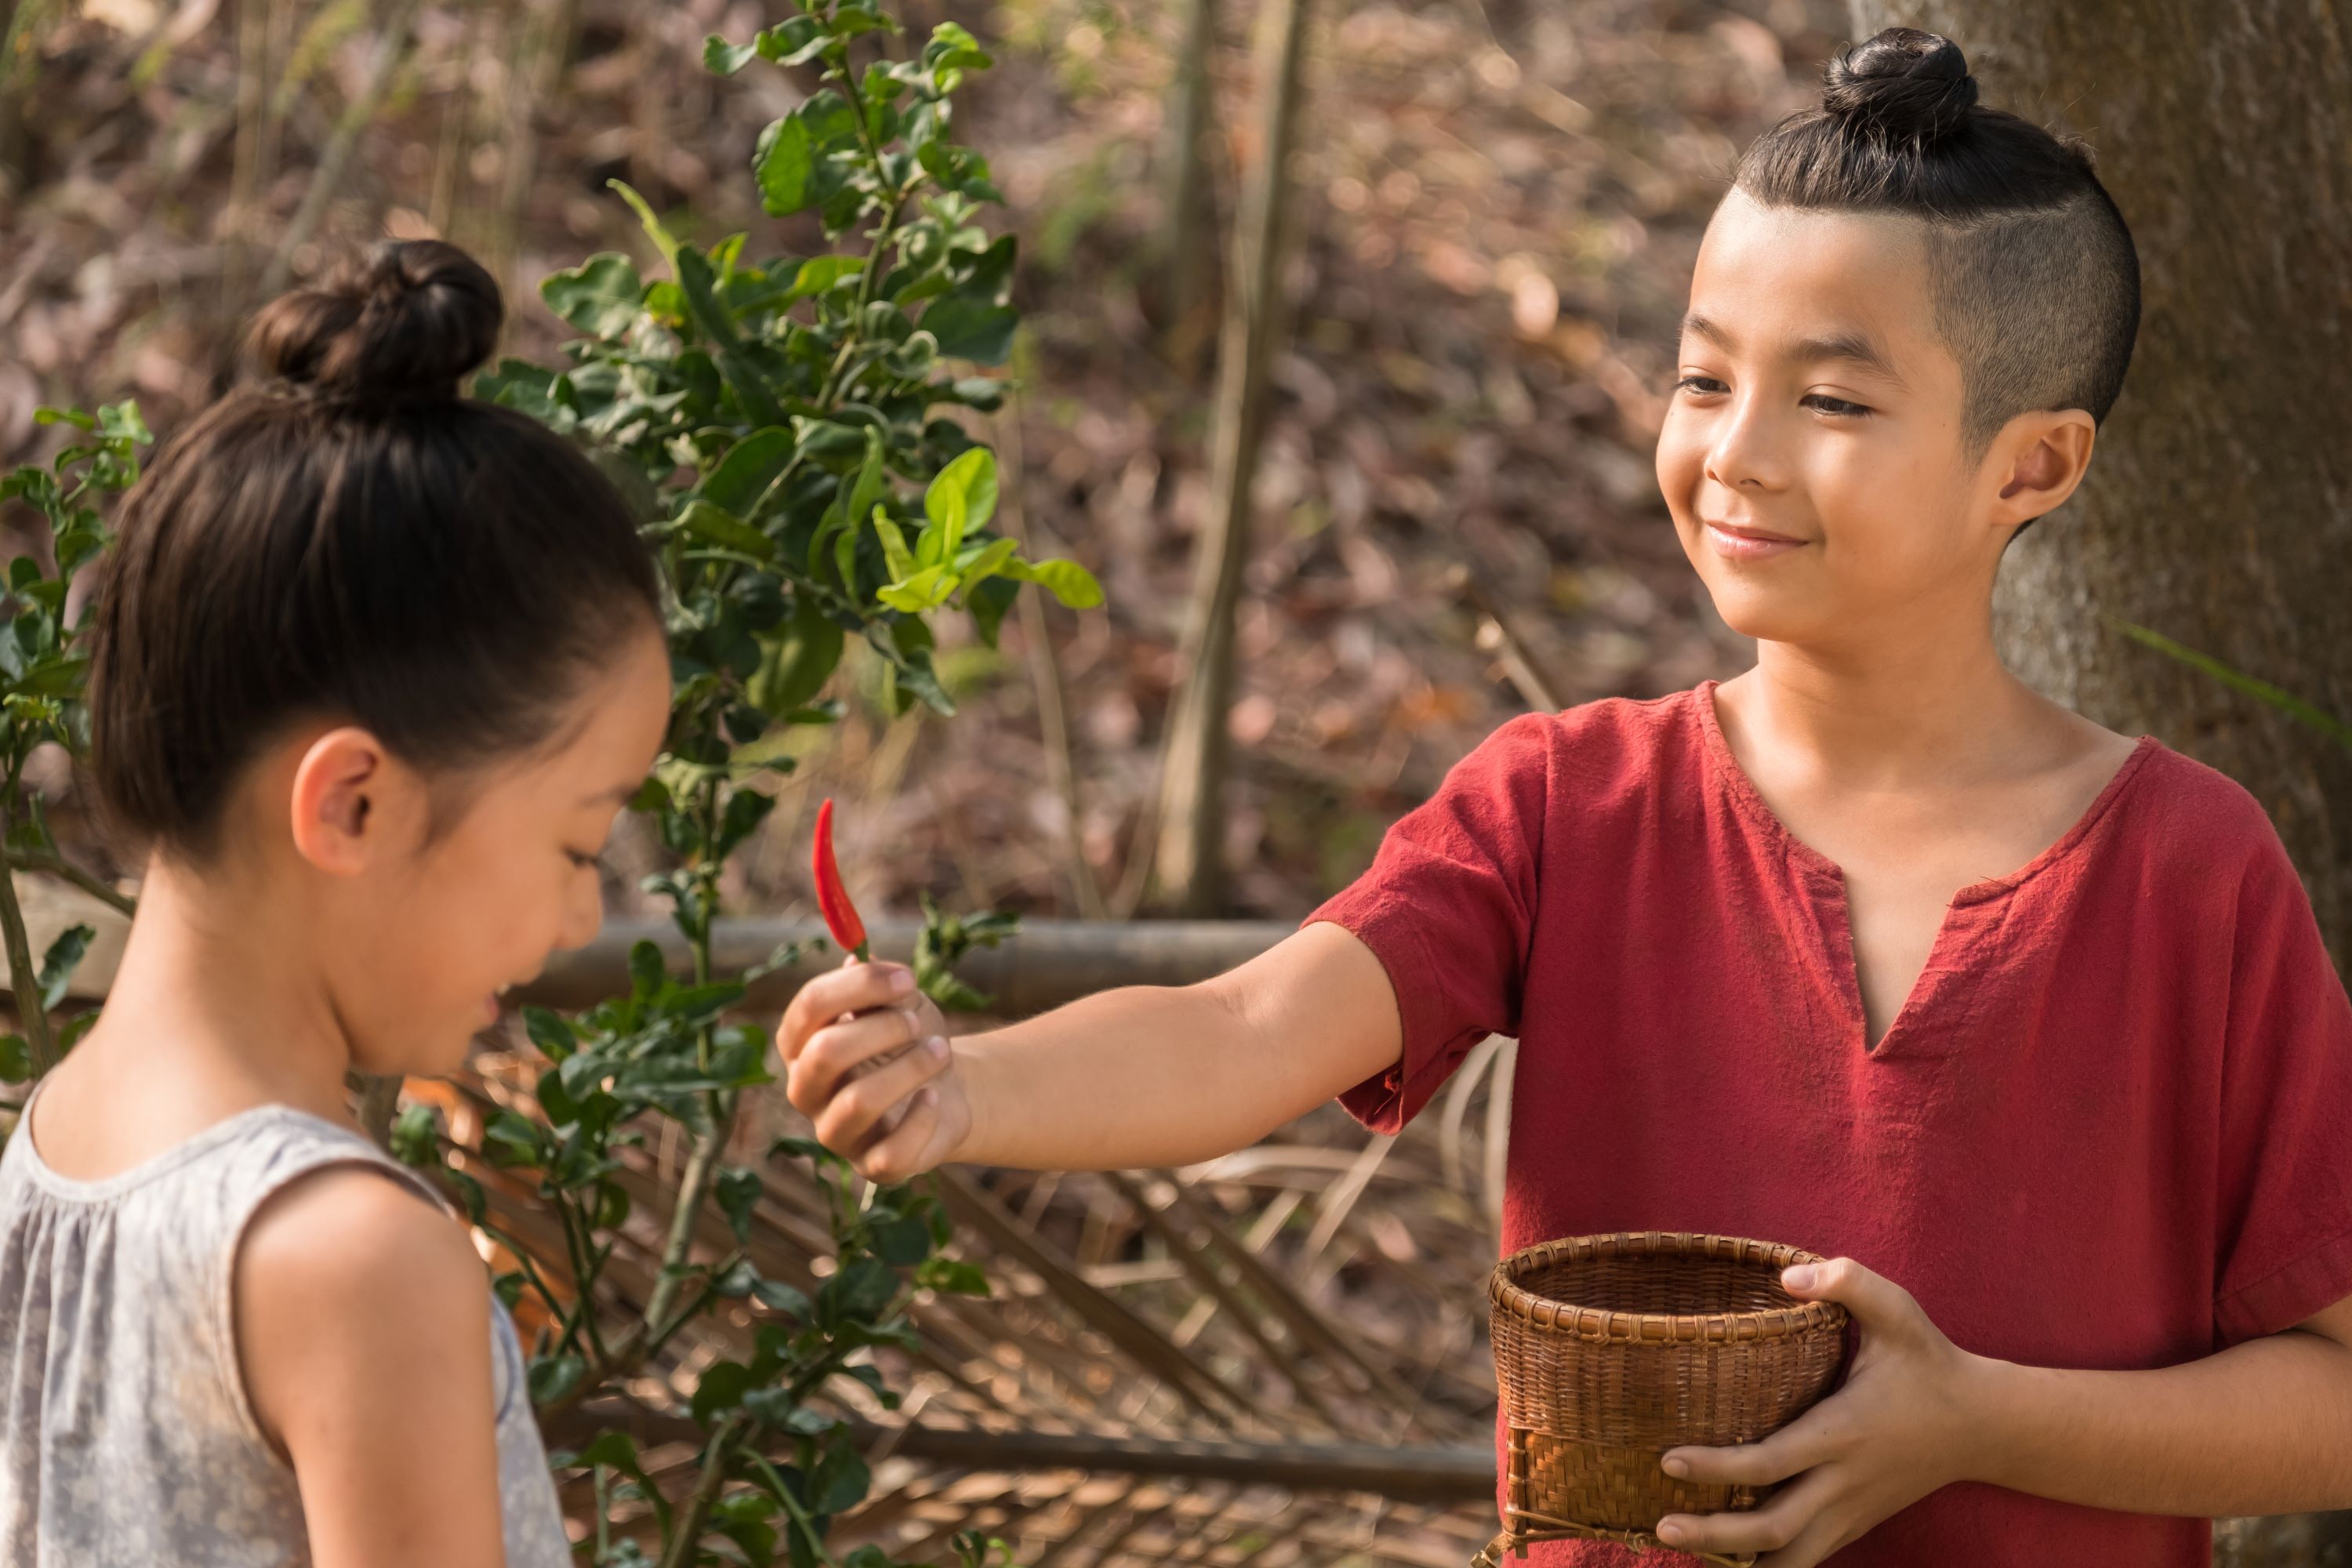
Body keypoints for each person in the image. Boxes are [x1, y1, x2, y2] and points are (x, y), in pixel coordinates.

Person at [780, 27, 2352, 1567]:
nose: (1734, 452)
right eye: (1702, 376)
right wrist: (968, 1090)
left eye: (1835, 401)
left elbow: (2336, 1397)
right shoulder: (1567, 805)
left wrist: (1976, 1423)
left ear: (2034, 467)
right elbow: (1251, 1028)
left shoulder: (2190, 873)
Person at [0, 240, 672, 1567]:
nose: (583, 919)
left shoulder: (46, 1161)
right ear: (353, 803)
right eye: (576, 842)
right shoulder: (359, 1263)